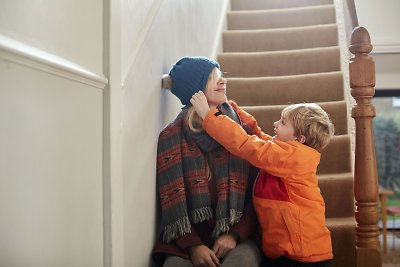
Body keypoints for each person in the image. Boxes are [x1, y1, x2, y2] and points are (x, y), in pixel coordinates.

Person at [190, 91, 334, 267]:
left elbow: (249, 145)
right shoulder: (284, 153)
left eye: (283, 123)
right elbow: (258, 135)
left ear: (299, 139)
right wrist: (233, 109)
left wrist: (209, 116)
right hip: (282, 250)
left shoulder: (294, 159)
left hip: (302, 255)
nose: (275, 124)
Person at [152, 56, 262, 267]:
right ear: (195, 91)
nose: (223, 82)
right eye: (213, 78)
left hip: (238, 235)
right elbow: (171, 204)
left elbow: (256, 196)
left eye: (221, 76)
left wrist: (234, 235)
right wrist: (194, 246)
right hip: (186, 239)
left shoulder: (239, 132)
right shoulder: (171, 138)